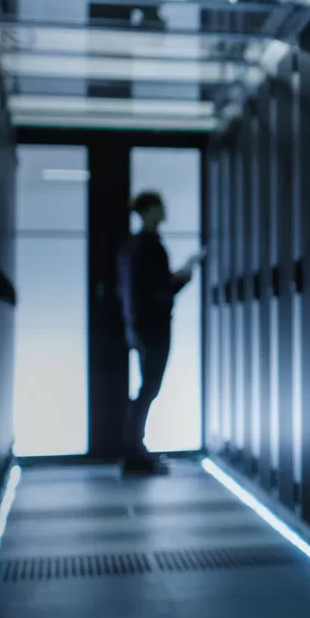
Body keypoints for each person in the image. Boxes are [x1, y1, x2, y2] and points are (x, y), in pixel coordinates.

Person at [117, 191, 204, 475]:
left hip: (141, 326)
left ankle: (134, 449)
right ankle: (134, 450)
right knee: (149, 388)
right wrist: (187, 273)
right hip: (154, 327)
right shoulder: (149, 246)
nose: (165, 209)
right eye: (160, 206)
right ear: (150, 210)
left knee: (147, 388)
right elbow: (161, 291)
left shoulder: (133, 246)